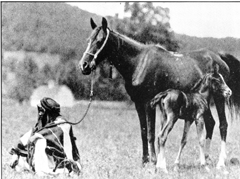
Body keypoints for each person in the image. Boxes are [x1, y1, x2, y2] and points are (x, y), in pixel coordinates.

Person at [9, 97, 81, 176]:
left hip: (61, 168)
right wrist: (16, 152)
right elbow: (29, 135)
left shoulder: (58, 125)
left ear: (46, 112)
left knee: (40, 140)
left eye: (41, 111)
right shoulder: (54, 123)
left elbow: (33, 137)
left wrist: (31, 140)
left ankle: (43, 172)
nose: (40, 114)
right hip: (66, 166)